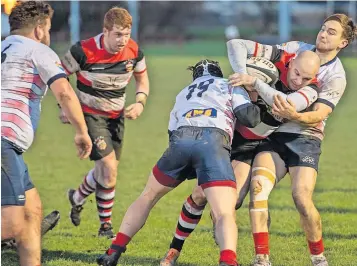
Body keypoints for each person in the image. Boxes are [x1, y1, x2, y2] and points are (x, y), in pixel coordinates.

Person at [160, 51, 321, 266]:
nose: (250, 91)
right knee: (200, 195)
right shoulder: (236, 93)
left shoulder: (278, 99)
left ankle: (260, 257)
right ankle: (173, 250)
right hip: (233, 148)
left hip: (256, 150)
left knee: (255, 193)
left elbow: (263, 124)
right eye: (248, 86)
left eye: (254, 87)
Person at [96, 59, 263, 266]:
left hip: (180, 141)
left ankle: (113, 252)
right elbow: (250, 118)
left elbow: (172, 132)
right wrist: (255, 98)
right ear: (218, 73)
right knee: (224, 213)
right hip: (213, 141)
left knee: (147, 196)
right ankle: (228, 260)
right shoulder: (229, 84)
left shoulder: (184, 92)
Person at [227, 14, 357, 266]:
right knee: (258, 189)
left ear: (342, 43)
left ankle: (318, 257)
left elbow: (319, 114)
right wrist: (249, 78)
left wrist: (294, 115)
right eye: (322, 28)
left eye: (331, 32)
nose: (323, 34)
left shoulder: (336, 77)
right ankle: (261, 257)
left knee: (301, 197)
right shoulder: (295, 49)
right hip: (273, 134)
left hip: (305, 137)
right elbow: (256, 59)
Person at [1, 1, 92, 265]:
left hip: (9, 145)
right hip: (4, 141)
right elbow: (64, 91)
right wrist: (82, 132)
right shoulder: (39, 50)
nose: (49, 35)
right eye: (49, 28)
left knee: (32, 212)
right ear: (40, 29)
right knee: (10, 225)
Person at [60, 6, 149, 238]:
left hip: (116, 117)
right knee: (108, 168)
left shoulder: (134, 51)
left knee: (108, 171)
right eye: (118, 34)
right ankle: (106, 227)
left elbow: (142, 80)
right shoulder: (82, 51)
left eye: (126, 34)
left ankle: (77, 197)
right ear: (105, 31)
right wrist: (65, 108)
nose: (123, 40)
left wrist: (140, 103)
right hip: (89, 115)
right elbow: (59, 77)